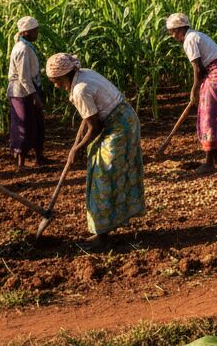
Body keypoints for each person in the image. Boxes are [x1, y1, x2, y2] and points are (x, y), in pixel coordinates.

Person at [45, 53, 144, 248]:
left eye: (56, 81)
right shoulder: (83, 75)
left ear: (66, 75)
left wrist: (77, 149)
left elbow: (95, 127)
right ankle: (106, 226)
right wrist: (78, 143)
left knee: (103, 175)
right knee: (100, 169)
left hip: (120, 128)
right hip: (123, 120)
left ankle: (103, 234)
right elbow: (89, 116)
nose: (56, 85)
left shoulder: (80, 89)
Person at [165, 13, 217, 175]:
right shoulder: (196, 35)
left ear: (181, 29)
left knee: (208, 115)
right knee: (213, 113)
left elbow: (198, 69)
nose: (172, 35)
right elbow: (202, 68)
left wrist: (194, 91)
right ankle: (215, 156)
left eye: (173, 31)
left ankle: (209, 163)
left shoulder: (189, 40)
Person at [7, 16, 47, 170]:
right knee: (24, 126)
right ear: (25, 33)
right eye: (34, 31)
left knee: (38, 124)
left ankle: (39, 158)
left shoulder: (26, 46)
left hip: (29, 89)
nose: (37, 33)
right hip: (22, 92)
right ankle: (20, 164)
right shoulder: (22, 49)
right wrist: (34, 95)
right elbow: (24, 77)